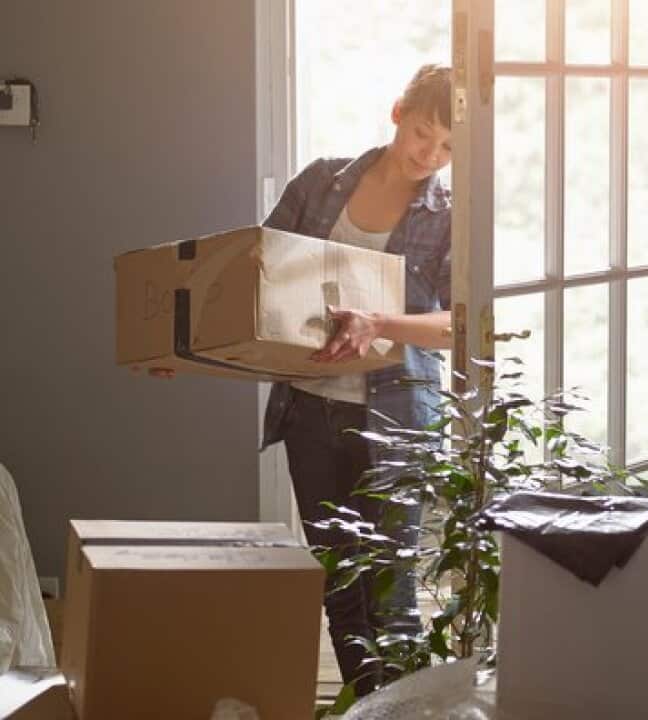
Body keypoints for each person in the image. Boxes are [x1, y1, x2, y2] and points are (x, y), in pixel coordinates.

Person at [153, 64, 454, 696]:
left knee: (391, 591)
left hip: (398, 420)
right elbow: (251, 280)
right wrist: (180, 350)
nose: (430, 156)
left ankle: (396, 714)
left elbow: (459, 325)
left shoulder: (450, 215)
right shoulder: (322, 182)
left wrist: (378, 322)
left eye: (449, 148)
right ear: (398, 112)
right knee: (340, 585)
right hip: (309, 411)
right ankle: (363, 709)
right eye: (424, 133)